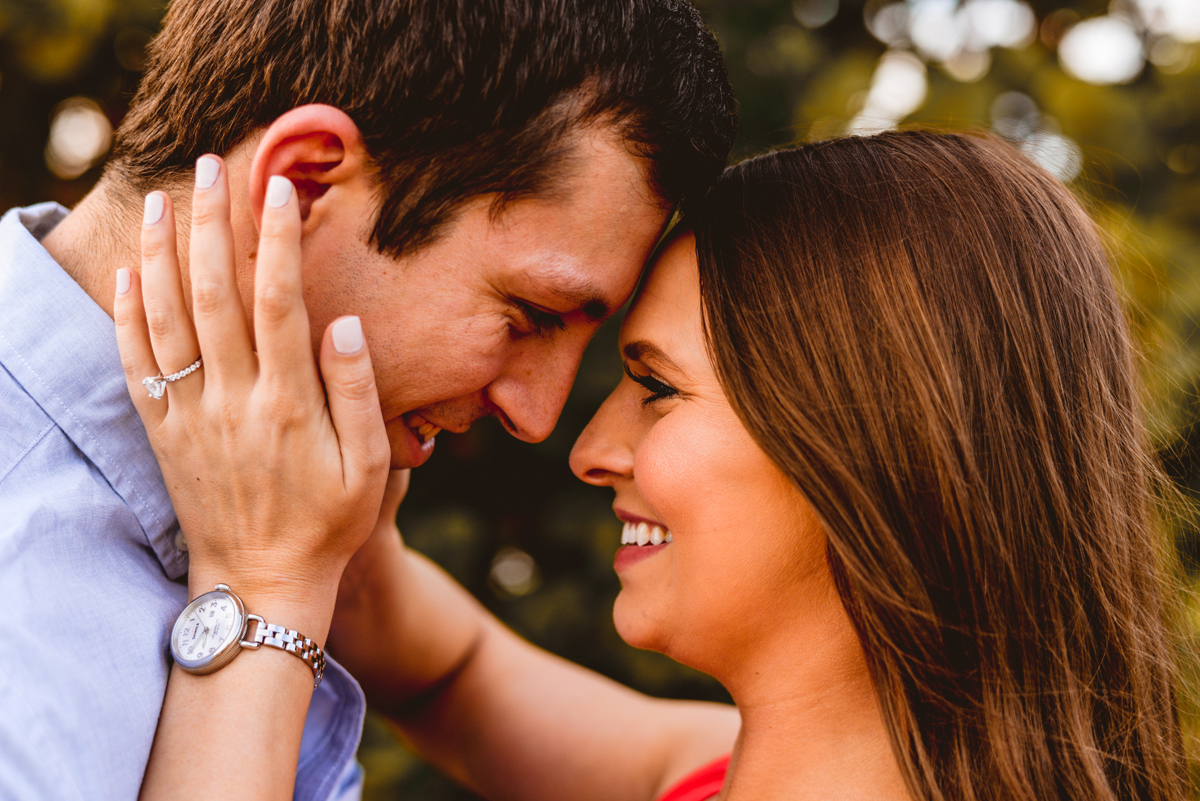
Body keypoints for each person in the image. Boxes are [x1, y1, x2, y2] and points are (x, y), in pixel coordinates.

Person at [118, 129, 1190, 801]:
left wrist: (256, 586)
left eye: (658, 387)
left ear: (868, 441)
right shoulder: (710, 770)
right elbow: (448, 674)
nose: (590, 448)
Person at [0, 0, 736, 796]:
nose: (538, 416)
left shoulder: (303, 515)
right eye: (531, 315)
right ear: (302, 184)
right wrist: (268, 590)